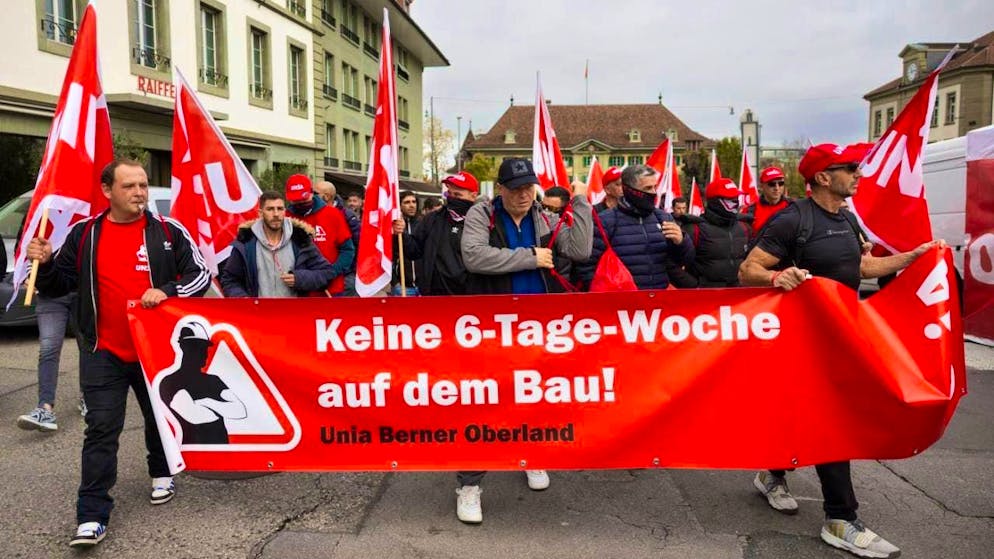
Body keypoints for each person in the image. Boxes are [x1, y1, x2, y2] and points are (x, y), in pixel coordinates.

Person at [739, 142, 944, 559]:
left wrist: (912, 258)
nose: (858, 173)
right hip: (800, 341)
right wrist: (779, 277)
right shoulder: (791, 220)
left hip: (843, 336)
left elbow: (862, 268)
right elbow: (747, 271)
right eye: (849, 168)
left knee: (806, 415)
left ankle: (772, 474)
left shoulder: (848, 220)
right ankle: (840, 518)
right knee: (832, 420)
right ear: (822, 178)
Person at [26, 158, 211, 548]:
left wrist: (169, 291)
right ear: (108, 191)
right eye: (130, 186)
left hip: (155, 349)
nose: (140, 193)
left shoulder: (166, 231)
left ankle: (162, 472)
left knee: (158, 417)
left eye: (143, 185)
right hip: (101, 350)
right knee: (101, 430)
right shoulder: (85, 234)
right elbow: (60, 285)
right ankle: (91, 515)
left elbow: (201, 275)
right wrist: (43, 267)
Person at [458, 157, 593, 523]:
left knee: (534, 397)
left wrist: (579, 203)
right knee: (482, 402)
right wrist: (530, 257)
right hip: (490, 325)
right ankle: (469, 485)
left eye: (528, 187)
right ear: (499, 189)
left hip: (536, 324)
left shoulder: (543, 216)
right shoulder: (481, 214)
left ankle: (530, 455)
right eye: (515, 188)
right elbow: (473, 257)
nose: (523, 194)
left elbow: (578, 250)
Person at [580, 164, 693, 290]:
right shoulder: (605, 221)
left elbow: (683, 261)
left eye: (655, 187)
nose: (654, 192)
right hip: (621, 301)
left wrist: (681, 242)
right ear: (630, 190)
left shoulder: (663, 218)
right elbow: (587, 267)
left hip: (657, 299)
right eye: (648, 188)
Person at [220, 191, 334, 297]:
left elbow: (327, 273)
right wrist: (242, 299)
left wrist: (299, 279)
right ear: (260, 213)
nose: (276, 214)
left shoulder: (300, 240)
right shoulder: (246, 243)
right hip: (257, 315)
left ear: (285, 211)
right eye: (270, 209)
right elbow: (229, 280)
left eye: (280, 209)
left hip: (293, 315)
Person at [158, 322, 245, 445]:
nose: (203, 353)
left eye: (204, 348)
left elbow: (240, 410)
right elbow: (195, 416)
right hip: (190, 456)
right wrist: (222, 408)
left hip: (222, 455)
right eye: (197, 348)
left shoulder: (213, 380)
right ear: (184, 348)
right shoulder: (170, 382)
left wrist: (206, 402)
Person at [395, 172, 479, 295]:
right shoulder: (432, 219)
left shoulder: (483, 222)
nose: (452, 198)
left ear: (473, 196)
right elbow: (414, 250)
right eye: (449, 193)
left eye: (457, 195)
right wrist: (401, 234)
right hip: (433, 296)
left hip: (468, 296)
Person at [668, 178, 751, 288]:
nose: (735, 202)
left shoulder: (744, 227)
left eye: (736, 198)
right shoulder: (694, 229)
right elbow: (670, 264)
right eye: (730, 199)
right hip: (706, 299)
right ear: (715, 202)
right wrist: (694, 286)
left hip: (740, 298)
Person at [284, 175, 354, 296]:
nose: (300, 203)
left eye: (303, 199)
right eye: (296, 200)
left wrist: (331, 273)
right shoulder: (285, 217)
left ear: (311, 193)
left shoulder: (332, 214)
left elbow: (347, 250)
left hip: (332, 288)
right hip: (297, 289)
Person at [313, 180, 361, 296]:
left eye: (315, 193)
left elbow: (358, 245)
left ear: (326, 196)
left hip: (344, 278)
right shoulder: (312, 214)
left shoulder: (345, 216)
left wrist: (345, 271)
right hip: (317, 279)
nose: (311, 196)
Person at [743, 166, 791, 234]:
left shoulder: (793, 206)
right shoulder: (750, 210)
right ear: (762, 186)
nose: (777, 188)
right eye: (772, 184)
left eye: (780, 183)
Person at [391, 190, 420, 296]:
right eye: (407, 202)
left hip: (423, 286)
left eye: (414, 202)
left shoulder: (423, 224)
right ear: (400, 205)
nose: (412, 205)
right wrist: (395, 283)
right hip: (403, 286)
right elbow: (389, 256)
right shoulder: (393, 227)